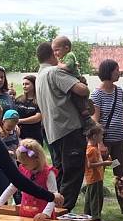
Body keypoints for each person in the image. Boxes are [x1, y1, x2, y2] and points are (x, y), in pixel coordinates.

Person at [34, 41, 90, 210]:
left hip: (52, 131)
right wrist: (82, 82)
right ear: (52, 54)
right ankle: (61, 212)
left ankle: (51, 209)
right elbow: (82, 90)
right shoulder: (54, 72)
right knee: (73, 173)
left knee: (61, 172)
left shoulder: (40, 75)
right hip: (68, 128)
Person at [91, 59, 123, 215]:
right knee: (99, 175)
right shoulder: (97, 94)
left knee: (120, 173)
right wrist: (100, 143)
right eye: (117, 70)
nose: (119, 72)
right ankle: (95, 211)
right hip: (105, 143)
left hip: (119, 141)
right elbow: (95, 120)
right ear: (109, 72)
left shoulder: (119, 91)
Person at [51, 35, 94, 128]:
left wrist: (58, 65)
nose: (55, 53)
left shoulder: (70, 55)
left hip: (77, 80)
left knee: (77, 98)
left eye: (57, 50)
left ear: (66, 48)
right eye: (53, 51)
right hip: (73, 80)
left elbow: (68, 67)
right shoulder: (64, 56)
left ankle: (87, 116)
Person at [82, 124, 110, 221]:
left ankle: (87, 215)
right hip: (94, 177)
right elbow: (89, 165)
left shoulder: (94, 147)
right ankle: (95, 218)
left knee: (90, 197)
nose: (102, 137)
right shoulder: (92, 149)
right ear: (94, 136)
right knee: (96, 198)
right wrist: (104, 163)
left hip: (96, 177)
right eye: (101, 135)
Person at [15, 74, 43, 142]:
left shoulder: (40, 100)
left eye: (27, 84)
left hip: (34, 136)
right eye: (23, 84)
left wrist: (19, 121)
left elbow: (38, 117)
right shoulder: (19, 99)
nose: (24, 86)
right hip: (19, 136)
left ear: (34, 85)